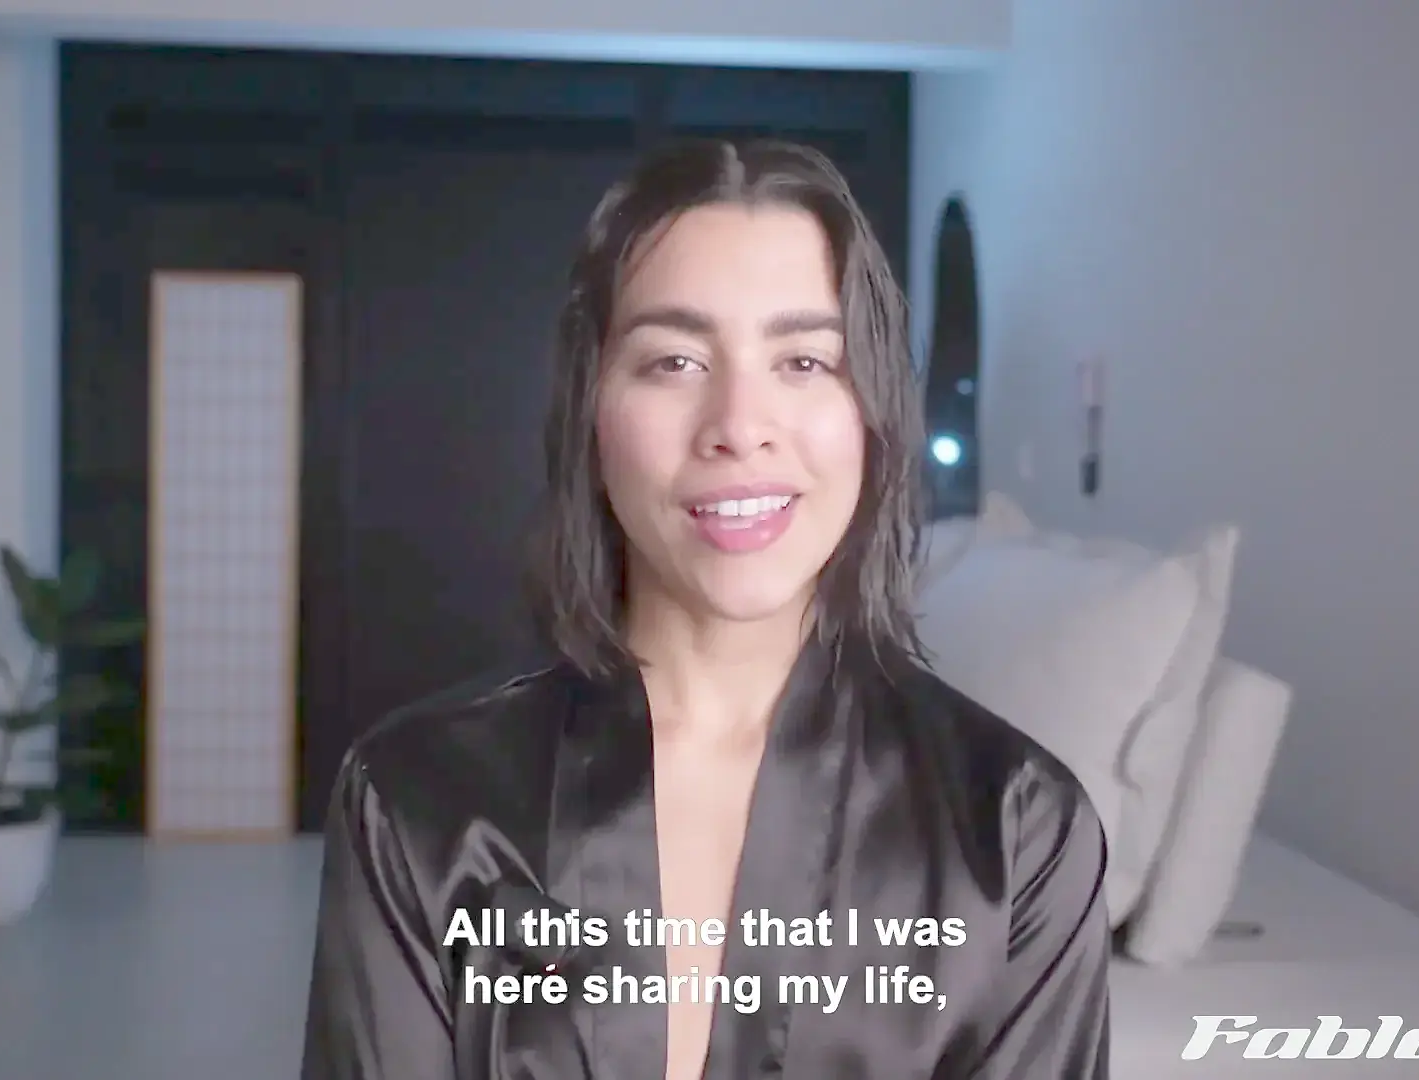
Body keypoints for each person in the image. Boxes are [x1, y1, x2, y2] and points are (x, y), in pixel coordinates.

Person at [300, 138, 1110, 1080]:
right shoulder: (415, 800)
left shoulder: (1016, 830)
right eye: (676, 361)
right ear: (591, 409)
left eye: (804, 361)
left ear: (873, 412)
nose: (738, 426)